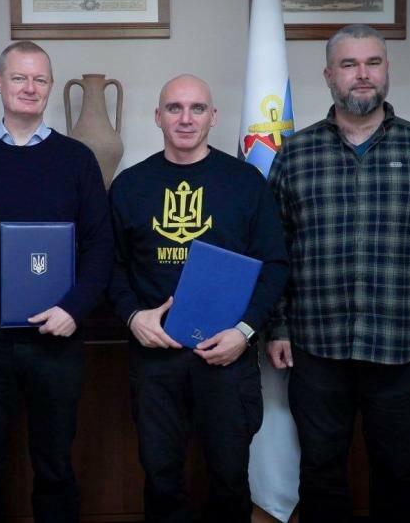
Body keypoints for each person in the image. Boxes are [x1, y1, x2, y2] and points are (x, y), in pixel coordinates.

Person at [267, 24, 410, 523]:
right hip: (315, 346)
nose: (362, 74)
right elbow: (274, 249)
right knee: (320, 472)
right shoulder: (295, 153)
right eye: (349, 64)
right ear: (328, 76)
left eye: (373, 63)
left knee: (398, 473)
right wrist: (277, 325)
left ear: (387, 70)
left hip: (400, 347)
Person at [0, 41, 113, 523]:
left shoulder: (77, 159)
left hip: (56, 341)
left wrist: (73, 309)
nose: (30, 88)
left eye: (39, 79)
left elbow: (101, 247)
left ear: (50, 87)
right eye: (19, 78)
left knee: (55, 469)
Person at [108, 74, 288, 522]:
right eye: (174, 108)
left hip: (227, 357)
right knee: (160, 477)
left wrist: (244, 332)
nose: (185, 119)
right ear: (158, 116)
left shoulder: (245, 182)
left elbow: (274, 265)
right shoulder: (130, 185)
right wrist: (132, 316)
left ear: (213, 117)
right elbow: (109, 266)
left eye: (197, 108)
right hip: (155, 359)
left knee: (229, 477)